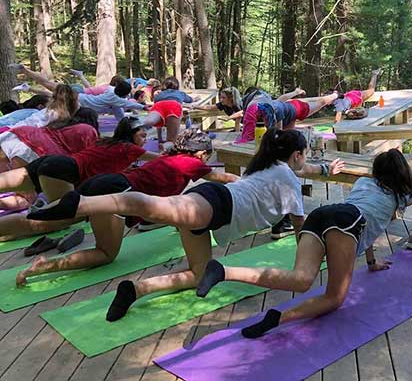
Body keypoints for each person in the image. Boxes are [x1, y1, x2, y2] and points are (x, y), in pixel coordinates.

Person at [27, 129, 342, 321]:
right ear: (296, 154)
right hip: (213, 205)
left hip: (211, 209)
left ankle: (135, 290)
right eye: (303, 157)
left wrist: (326, 167)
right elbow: (303, 229)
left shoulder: (271, 165)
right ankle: (80, 204)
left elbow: (303, 169)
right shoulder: (286, 178)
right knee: (147, 205)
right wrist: (316, 258)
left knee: (198, 273)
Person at [190, 148, 412, 338]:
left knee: (300, 279)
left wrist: (371, 260)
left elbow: (370, 221)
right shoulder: (399, 196)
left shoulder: (364, 182)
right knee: (335, 298)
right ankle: (280, 318)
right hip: (347, 223)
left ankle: (223, 270)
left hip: (324, 214)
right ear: (402, 175)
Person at [17, 129, 234, 287]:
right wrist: (249, 183)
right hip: (117, 193)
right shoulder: (193, 163)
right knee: (105, 253)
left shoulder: (169, 158)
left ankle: (39, 216)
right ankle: (45, 266)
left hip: (106, 182)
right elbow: (222, 177)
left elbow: (169, 203)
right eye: (206, 156)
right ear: (200, 154)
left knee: (48, 218)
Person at [0, 117, 157, 238]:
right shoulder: (130, 149)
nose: (145, 140)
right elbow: (160, 159)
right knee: (51, 222)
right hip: (63, 170)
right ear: (132, 135)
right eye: (142, 136)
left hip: (51, 162)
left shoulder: (107, 142)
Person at [0, 108, 99, 172]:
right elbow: (87, 158)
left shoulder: (61, 121)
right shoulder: (88, 130)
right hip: (40, 150)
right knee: (23, 193)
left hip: (21, 133)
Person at [236, 91, 339, 144]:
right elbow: (281, 98)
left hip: (297, 108)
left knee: (320, 102)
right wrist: (295, 92)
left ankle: (335, 95)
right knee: (288, 140)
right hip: (288, 109)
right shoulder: (266, 106)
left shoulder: (275, 111)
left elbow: (278, 135)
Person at [0, 84, 78, 132]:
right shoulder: (65, 113)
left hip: (17, 130)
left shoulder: (50, 112)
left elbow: (35, 124)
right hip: (19, 130)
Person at [77, 81, 146, 120]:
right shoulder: (115, 99)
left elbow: (119, 113)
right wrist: (143, 107)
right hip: (80, 101)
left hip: (82, 98)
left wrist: (122, 121)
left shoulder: (111, 89)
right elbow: (129, 104)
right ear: (123, 93)